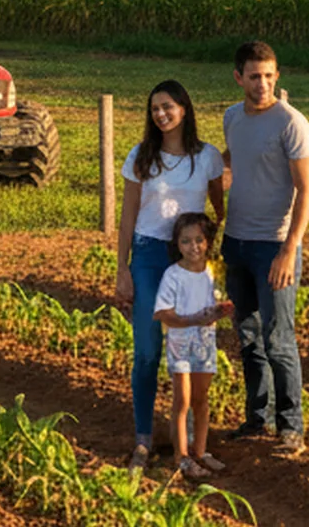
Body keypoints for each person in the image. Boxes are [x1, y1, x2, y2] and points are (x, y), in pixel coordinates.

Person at [113, 79, 226, 469]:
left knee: (195, 349)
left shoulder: (207, 157)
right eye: (155, 108)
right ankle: (143, 438)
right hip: (147, 254)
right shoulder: (141, 157)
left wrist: (210, 254)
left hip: (190, 261)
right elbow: (127, 216)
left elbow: (218, 207)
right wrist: (122, 269)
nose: (161, 114)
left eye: (168, 106)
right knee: (147, 350)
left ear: (184, 108)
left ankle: (194, 441)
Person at [220, 40, 309, 454]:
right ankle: (257, 419)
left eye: (269, 76)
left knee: (279, 339)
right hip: (235, 242)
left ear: (278, 76)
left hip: (273, 245)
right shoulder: (231, 118)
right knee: (248, 337)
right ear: (239, 77)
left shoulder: (291, 123)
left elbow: (306, 189)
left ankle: (290, 426)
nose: (262, 84)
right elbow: (230, 162)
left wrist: (289, 249)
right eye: (254, 76)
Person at [155, 212, 234, 479]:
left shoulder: (212, 272)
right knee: (183, 400)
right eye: (186, 241)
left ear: (208, 241)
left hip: (205, 342)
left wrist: (221, 311)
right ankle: (182, 457)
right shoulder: (173, 275)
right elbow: (162, 313)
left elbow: (219, 302)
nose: (193, 247)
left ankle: (200, 451)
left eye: (199, 240)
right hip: (180, 343)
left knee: (201, 399)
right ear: (177, 244)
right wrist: (191, 319)